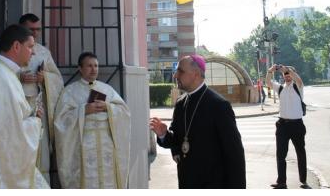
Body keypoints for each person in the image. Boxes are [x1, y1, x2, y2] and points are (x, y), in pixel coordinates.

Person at [149, 55, 246, 189]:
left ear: (195, 74)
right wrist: (164, 134)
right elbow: (177, 141)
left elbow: (235, 155)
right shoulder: (180, 103)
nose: (175, 75)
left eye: (180, 71)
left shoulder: (219, 105)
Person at [0, 24, 49, 188]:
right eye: (30, 47)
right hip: (0, 168)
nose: (33, 52)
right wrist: (35, 120)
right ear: (16, 46)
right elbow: (5, 134)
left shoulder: (2, 72)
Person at [54, 51, 131, 188]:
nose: (93, 69)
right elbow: (61, 122)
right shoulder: (70, 92)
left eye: (96, 66)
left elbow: (124, 112)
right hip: (83, 146)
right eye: (89, 66)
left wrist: (108, 107)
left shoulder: (107, 89)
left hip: (106, 146)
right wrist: (84, 110)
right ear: (80, 68)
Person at [19, 13, 64, 186]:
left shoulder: (44, 52)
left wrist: (44, 78)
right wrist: (19, 77)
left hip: (38, 108)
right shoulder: (10, 47)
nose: (36, 33)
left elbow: (57, 79)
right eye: (32, 29)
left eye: (38, 29)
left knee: (40, 151)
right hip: (18, 108)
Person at [266, 64, 309, 189]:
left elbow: (298, 79)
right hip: (283, 125)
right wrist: (270, 71)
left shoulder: (298, 86)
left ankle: (303, 180)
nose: (287, 76)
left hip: (297, 125)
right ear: (283, 77)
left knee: (300, 152)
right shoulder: (280, 88)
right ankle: (281, 182)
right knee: (280, 155)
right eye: (285, 74)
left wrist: (288, 69)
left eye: (289, 74)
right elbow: (268, 82)